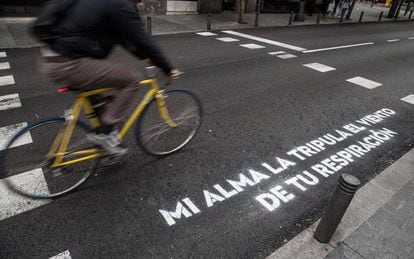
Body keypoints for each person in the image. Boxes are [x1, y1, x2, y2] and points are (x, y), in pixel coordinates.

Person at [39, 0, 181, 155]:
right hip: (70, 63)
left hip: (52, 58)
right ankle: (104, 134)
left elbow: (124, 38)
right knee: (132, 80)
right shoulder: (121, 4)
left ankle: (107, 148)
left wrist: (144, 56)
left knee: (100, 103)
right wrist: (167, 68)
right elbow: (142, 38)